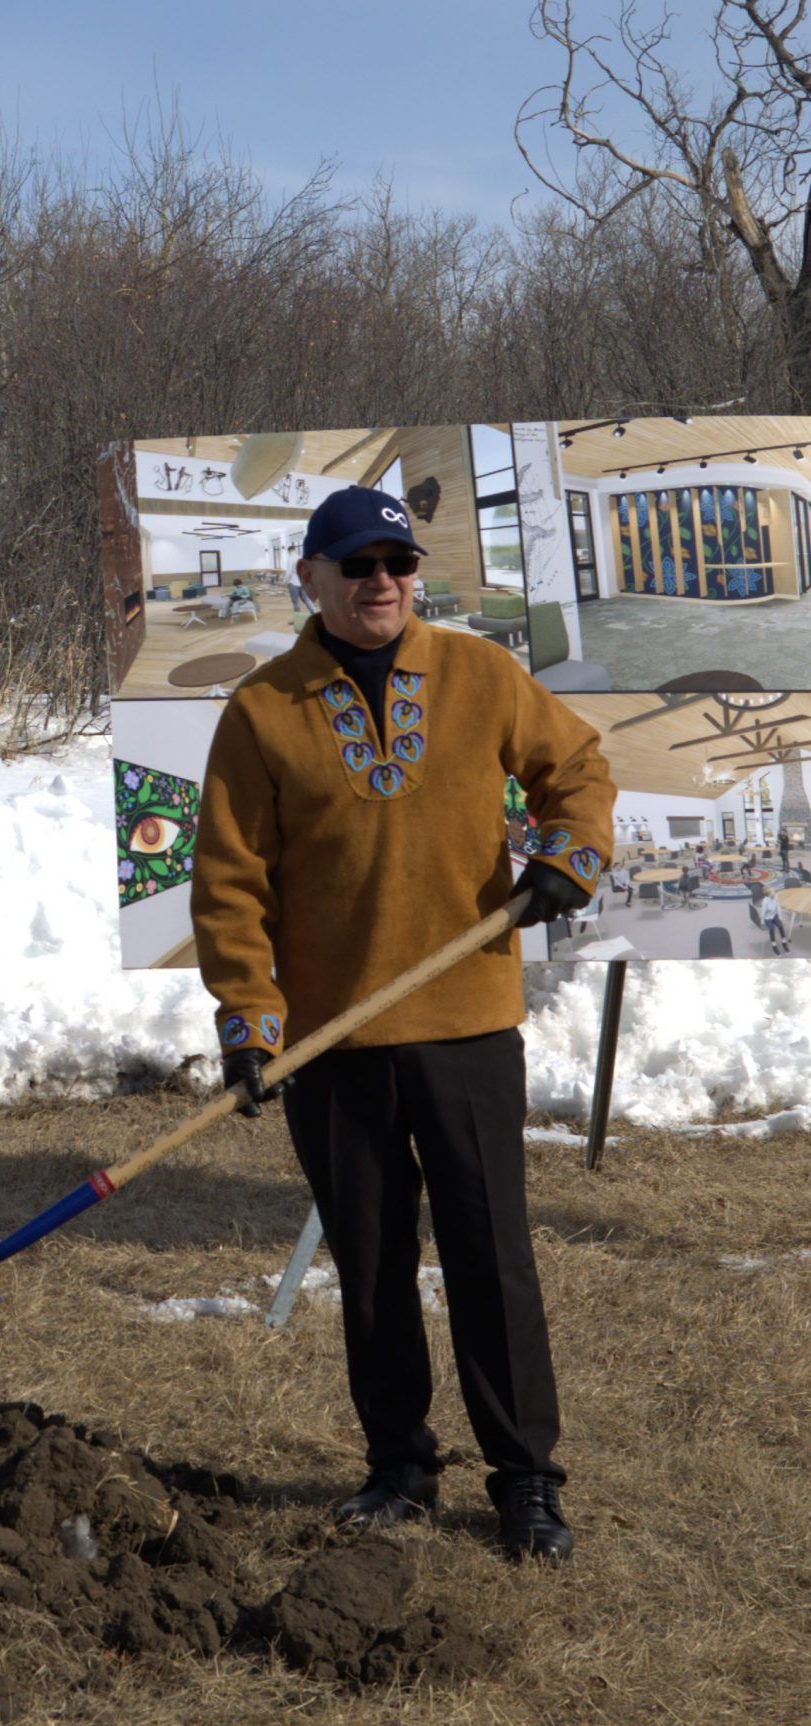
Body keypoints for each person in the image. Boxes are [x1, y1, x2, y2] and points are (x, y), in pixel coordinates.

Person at [192, 484, 615, 1566]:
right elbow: (230, 883)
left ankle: (525, 1481)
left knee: (490, 1257)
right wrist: (249, 1017)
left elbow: (578, 768)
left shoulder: (478, 675)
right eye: (356, 564)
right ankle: (399, 1467)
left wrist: (571, 853)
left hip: (468, 1021)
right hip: (334, 1041)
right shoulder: (261, 711)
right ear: (311, 578)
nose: (381, 581)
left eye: (397, 562)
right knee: (371, 1262)